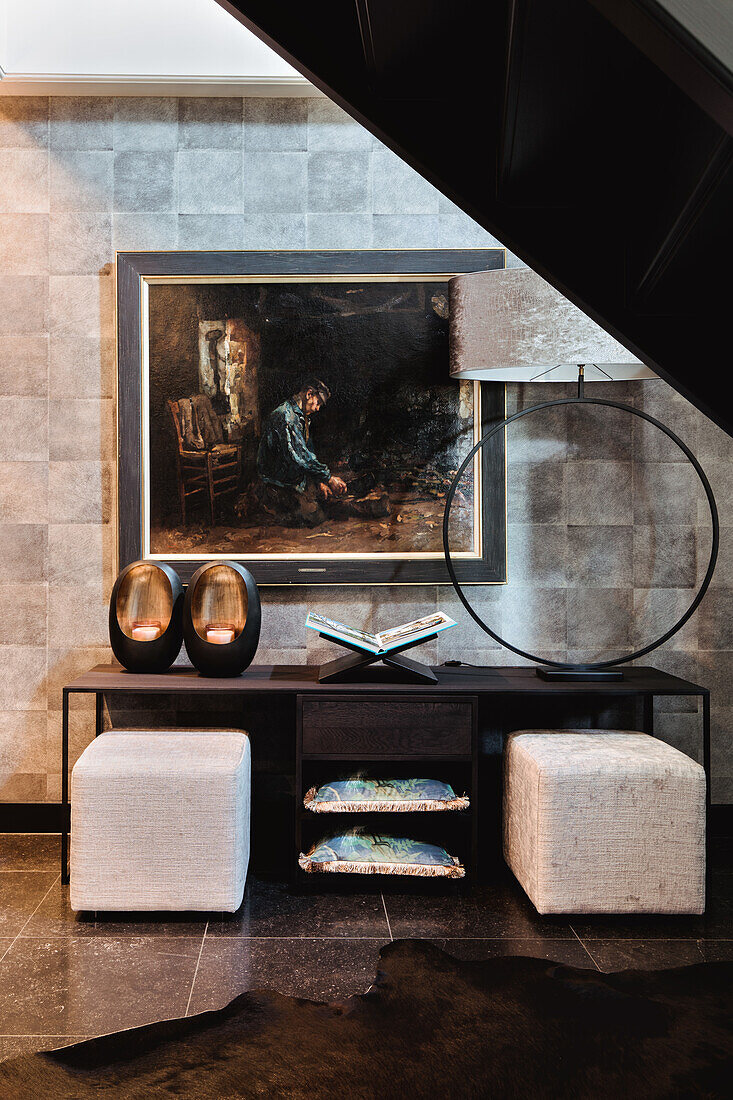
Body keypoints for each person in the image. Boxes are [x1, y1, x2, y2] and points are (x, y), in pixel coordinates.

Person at [257, 378, 347, 526]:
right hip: (278, 484)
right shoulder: (285, 416)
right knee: (316, 517)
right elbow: (298, 457)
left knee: (327, 500)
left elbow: (308, 453)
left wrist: (320, 480)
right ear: (309, 394)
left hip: (296, 479)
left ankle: (372, 507)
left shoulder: (302, 417)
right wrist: (329, 478)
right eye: (317, 403)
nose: (317, 408)